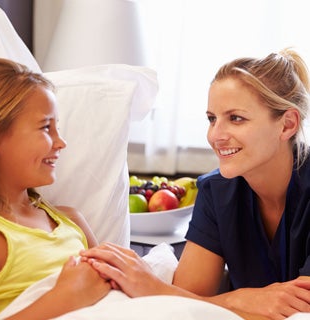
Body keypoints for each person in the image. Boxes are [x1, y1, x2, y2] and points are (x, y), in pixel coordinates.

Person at [81, 48, 310, 320]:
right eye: (212, 119)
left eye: (236, 118)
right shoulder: (217, 192)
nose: (216, 135)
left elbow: (300, 311)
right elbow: (187, 301)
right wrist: (243, 298)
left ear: (287, 125)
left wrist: (155, 288)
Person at [0, 57, 110, 320]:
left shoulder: (71, 220)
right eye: (45, 127)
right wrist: (64, 299)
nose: (61, 142)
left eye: (57, 127)